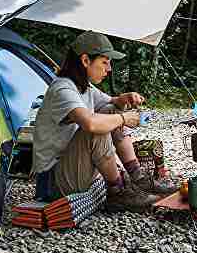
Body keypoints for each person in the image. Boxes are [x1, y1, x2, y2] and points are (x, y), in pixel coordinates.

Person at [33, 30, 176, 212]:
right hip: (53, 183)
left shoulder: (84, 86)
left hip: (72, 168)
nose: (109, 69)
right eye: (104, 63)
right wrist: (124, 118)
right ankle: (117, 191)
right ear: (85, 61)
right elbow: (91, 124)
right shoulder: (63, 89)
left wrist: (124, 98)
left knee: (111, 112)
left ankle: (138, 177)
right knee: (97, 127)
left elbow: (111, 102)